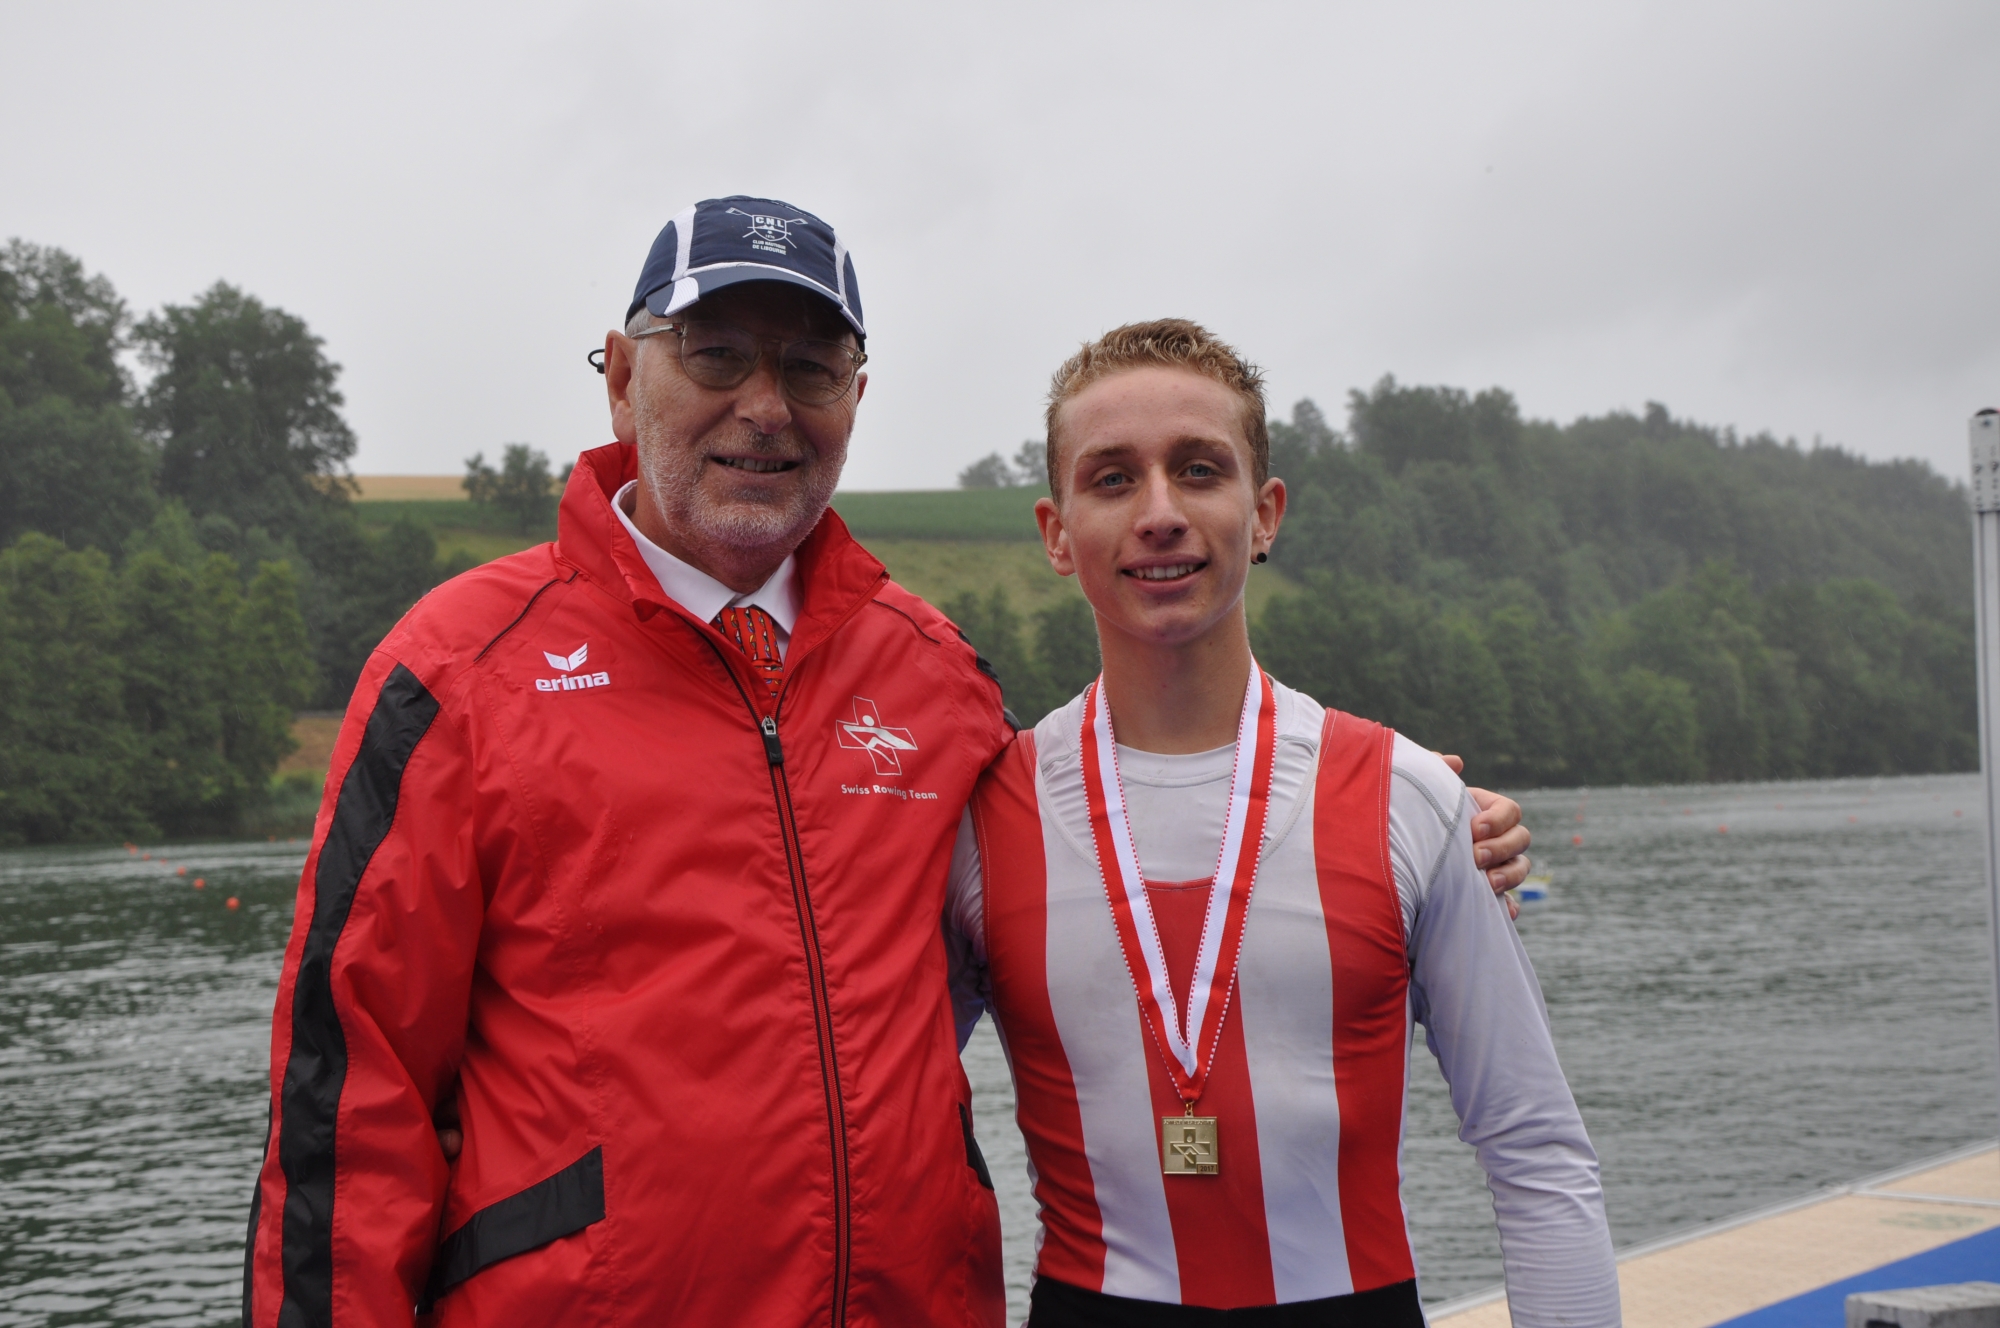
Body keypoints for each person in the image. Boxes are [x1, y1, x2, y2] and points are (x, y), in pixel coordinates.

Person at [243, 198, 1534, 1327]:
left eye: (810, 367)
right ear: (622, 379)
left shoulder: (935, 680)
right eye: (716, 355)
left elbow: (1108, 828)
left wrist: (1414, 820)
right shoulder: (462, 672)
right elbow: (344, 1102)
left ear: (857, 401)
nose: (764, 406)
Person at [946, 320, 1618, 1326]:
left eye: (1198, 469)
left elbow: (1533, 1149)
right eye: (1114, 478)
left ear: (1263, 514)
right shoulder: (978, 819)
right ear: (1055, 530)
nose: (1161, 513)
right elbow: (870, 1123)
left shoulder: (1408, 796)